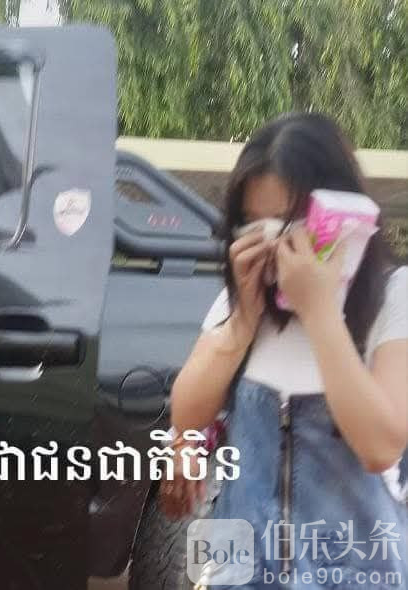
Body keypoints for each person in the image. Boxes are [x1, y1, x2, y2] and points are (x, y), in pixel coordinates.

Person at [161, 112, 407, 588]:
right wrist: (243, 321)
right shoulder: (242, 300)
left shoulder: (393, 295)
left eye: (288, 224)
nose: (271, 245)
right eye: (253, 224)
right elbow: (187, 414)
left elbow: (380, 447)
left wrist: (320, 312)